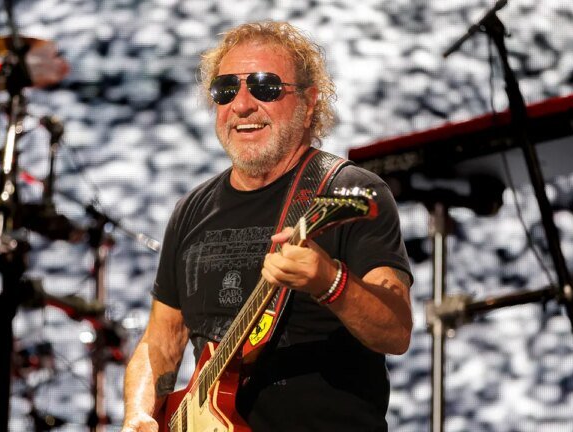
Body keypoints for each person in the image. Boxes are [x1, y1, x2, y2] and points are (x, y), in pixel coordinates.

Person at [122, 21, 413, 432]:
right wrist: (138, 412)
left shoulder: (347, 190)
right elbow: (161, 342)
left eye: (265, 87)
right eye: (225, 89)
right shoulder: (191, 210)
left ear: (308, 102)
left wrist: (330, 282)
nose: (241, 105)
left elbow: (396, 332)